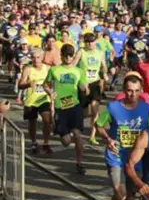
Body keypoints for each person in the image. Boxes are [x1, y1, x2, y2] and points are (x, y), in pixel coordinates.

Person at [96, 75, 149, 200]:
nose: (132, 94)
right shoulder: (112, 108)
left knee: (130, 199)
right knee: (120, 193)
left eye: (136, 91)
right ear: (124, 90)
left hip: (136, 161)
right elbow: (99, 126)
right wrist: (108, 139)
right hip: (116, 157)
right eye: (129, 90)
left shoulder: (147, 109)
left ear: (141, 91)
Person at [43, 44, 89, 174]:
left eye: (71, 55)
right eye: (66, 55)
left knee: (78, 134)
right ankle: (63, 131)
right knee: (66, 141)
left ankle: (79, 163)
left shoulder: (79, 71)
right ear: (62, 56)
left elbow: (84, 85)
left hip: (74, 106)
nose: (68, 58)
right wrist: (50, 92)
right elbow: (45, 84)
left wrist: (84, 88)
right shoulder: (54, 70)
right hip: (60, 108)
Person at [18, 48, 52, 154]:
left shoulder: (47, 68)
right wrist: (28, 84)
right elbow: (20, 85)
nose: (35, 59)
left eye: (38, 57)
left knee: (47, 121)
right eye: (33, 57)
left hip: (43, 99)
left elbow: (51, 84)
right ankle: (33, 142)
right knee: (32, 122)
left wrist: (51, 92)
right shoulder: (28, 69)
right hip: (31, 100)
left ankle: (46, 143)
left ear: (42, 57)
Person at [75, 33, 107, 145]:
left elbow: (104, 66)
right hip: (84, 83)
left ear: (95, 42)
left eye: (92, 41)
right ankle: (75, 124)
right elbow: (74, 65)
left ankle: (92, 136)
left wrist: (105, 74)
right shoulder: (81, 51)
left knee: (95, 109)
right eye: (87, 42)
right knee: (84, 113)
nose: (90, 44)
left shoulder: (100, 52)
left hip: (95, 83)